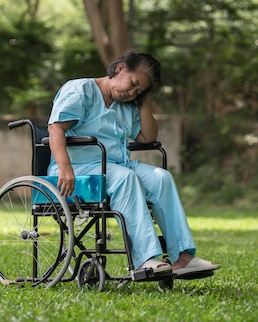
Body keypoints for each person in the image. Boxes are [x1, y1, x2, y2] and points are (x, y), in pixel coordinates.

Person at [47, 50, 220, 277]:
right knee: (126, 178)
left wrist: (143, 99)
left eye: (138, 91)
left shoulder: (127, 105)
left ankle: (182, 257)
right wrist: (65, 168)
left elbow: (148, 137)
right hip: (78, 168)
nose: (131, 92)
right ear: (119, 69)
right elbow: (55, 128)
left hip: (116, 167)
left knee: (162, 178)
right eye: (133, 83)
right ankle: (145, 259)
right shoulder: (81, 91)